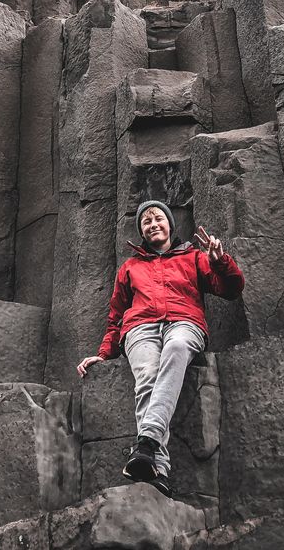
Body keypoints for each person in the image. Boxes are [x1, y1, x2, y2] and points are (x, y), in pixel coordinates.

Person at [76, 199, 245, 497]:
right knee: (147, 378)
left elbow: (231, 289)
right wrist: (103, 355)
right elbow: (116, 316)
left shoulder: (193, 257)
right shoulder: (130, 267)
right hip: (140, 329)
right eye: (146, 222)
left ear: (170, 224)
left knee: (177, 348)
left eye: (158, 219)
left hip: (184, 323)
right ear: (142, 232)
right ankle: (158, 471)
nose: (153, 224)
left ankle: (147, 442)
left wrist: (219, 260)